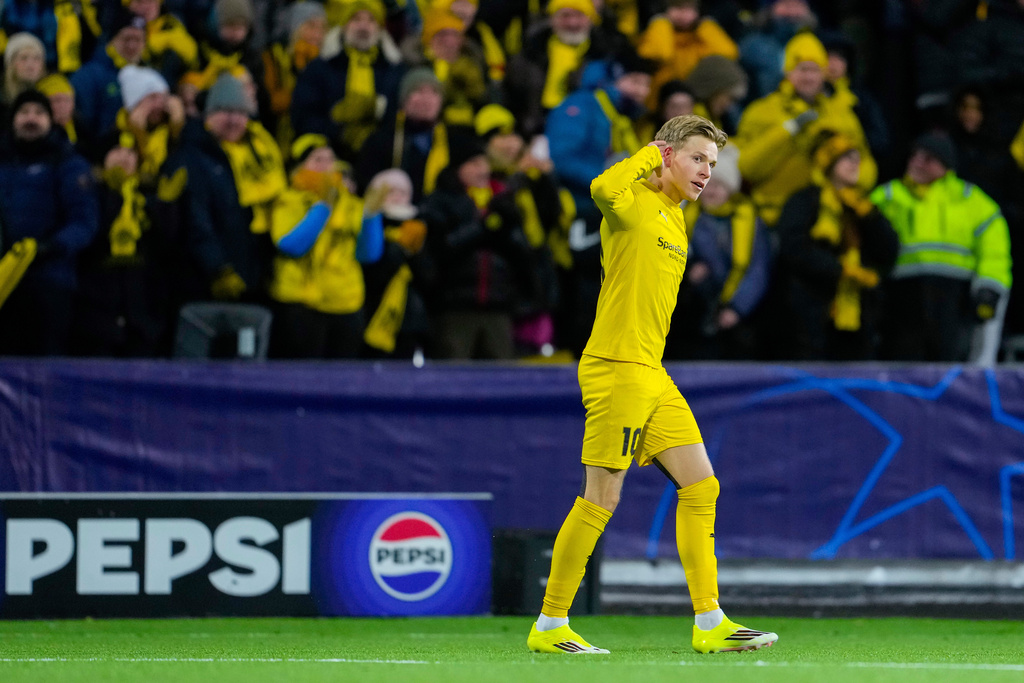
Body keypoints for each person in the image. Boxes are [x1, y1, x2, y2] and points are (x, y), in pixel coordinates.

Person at [526, 114, 777, 655]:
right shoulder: (633, 200)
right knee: (601, 497)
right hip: (617, 368)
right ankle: (550, 624)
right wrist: (651, 153)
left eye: (712, 163)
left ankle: (710, 621)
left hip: (651, 373)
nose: (706, 172)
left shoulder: (675, 218)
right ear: (666, 155)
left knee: (701, 486)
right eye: (697, 159)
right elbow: (600, 187)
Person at [871, 132, 1013, 363]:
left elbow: (995, 252)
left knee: (950, 366)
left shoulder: (970, 200)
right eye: (914, 156)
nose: (917, 162)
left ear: (946, 166)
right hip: (901, 298)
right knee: (902, 367)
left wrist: (989, 288)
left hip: (954, 300)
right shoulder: (887, 196)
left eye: (928, 159)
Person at [774, 132, 899, 361]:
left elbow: (890, 250)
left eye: (856, 156)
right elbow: (794, 247)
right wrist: (840, 270)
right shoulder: (805, 200)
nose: (855, 162)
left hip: (858, 314)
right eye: (846, 157)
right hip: (811, 310)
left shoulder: (864, 206)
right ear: (828, 164)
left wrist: (870, 217)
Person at [733, 31, 876, 227]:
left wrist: (852, 178)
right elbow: (746, 168)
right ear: (787, 72)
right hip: (773, 218)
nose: (809, 77)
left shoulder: (841, 115)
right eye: (802, 69)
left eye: (815, 70)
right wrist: (788, 130)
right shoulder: (761, 112)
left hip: (827, 219)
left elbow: (866, 163)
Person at [268, 133, 385, 358]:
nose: (325, 166)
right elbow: (292, 246)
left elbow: (368, 255)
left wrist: (371, 216)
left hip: (345, 303)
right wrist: (323, 207)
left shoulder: (351, 203)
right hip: (300, 303)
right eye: (316, 160)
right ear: (300, 166)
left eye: (329, 160)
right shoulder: (288, 199)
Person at [0, 89, 99, 355]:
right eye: (24, 112)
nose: (31, 119)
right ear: (13, 119)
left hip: (49, 281)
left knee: (44, 366)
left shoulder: (68, 163)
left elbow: (84, 221)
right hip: (3, 281)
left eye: (39, 113)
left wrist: (51, 247)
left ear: (51, 120)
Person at [668, 143, 773, 360]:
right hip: (697, 308)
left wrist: (737, 308)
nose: (711, 191)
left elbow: (758, 269)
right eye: (706, 184)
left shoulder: (750, 221)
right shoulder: (687, 216)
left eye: (719, 185)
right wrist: (691, 269)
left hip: (739, 312)